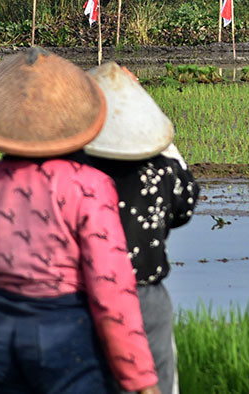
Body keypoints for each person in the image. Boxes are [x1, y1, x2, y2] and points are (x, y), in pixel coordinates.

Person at [0, 48, 160, 394]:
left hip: (0, 329)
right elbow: (110, 287)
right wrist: (140, 379)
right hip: (66, 333)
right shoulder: (89, 185)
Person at [84, 62, 198, 394]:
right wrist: (160, 138)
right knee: (158, 382)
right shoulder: (161, 172)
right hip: (144, 298)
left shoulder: (77, 171)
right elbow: (185, 204)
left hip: (86, 297)